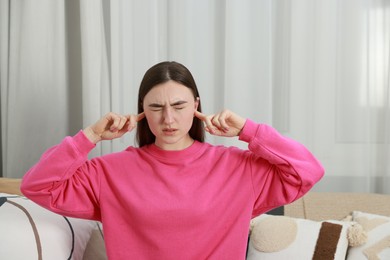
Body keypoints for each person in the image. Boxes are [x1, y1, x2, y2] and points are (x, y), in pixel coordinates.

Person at [21, 61, 324, 259]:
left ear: (196, 105)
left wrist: (249, 130)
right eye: (156, 107)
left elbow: (307, 171)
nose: (168, 118)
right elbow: (37, 186)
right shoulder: (109, 172)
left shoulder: (236, 167)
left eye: (179, 105)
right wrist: (89, 136)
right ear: (142, 110)